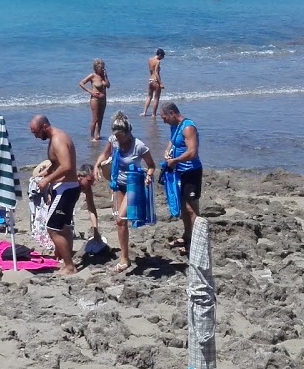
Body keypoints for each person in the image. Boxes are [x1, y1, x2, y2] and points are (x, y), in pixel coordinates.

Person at [95, 112, 157, 273]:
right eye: (116, 136)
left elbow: (151, 165)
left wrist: (148, 176)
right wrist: (97, 165)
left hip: (133, 184)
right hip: (118, 183)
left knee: (121, 219)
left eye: (121, 136)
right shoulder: (113, 141)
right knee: (119, 221)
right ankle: (125, 256)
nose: (119, 139)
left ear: (128, 132)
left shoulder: (139, 146)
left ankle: (124, 260)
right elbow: (105, 154)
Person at [28, 113, 80, 277]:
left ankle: (70, 266)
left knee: (52, 228)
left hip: (66, 189)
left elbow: (66, 166)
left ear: (45, 127)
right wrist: (47, 172)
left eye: (36, 133)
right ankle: (66, 259)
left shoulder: (58, 139)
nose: (36, 137)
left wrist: (47, 180)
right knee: (63, 227)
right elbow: (57, 162)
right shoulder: (54, 138)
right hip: (65, 188)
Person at [159, 101, 202, 252]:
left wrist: (175, 160)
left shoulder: (188, 127)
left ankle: (197, 243)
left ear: (172, 113)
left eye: (164, 117)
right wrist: (167, 150)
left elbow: (192, 152)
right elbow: (173, 140)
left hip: (191, 171)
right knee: (183, 206)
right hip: (179, 172)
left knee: (192, 209)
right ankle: (187, 235)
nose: (163, 121)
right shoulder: (174, 126)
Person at [79, 59, 110, 139]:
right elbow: (81, 83)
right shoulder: (92, 76)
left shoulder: (103, 76)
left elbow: (108, 86)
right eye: (101, 68)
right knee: (95, 119)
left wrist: (106, 76)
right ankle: (92, 136)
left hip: (103, 99)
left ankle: (98, 134)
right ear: (96, 68)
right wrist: (90, 91)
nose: (103, 69)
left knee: (101, 118)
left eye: (103, 67)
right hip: (95, 99)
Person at [143, 49, 165, 116]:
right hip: (156, 81)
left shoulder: (150, 59)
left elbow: (151, 71)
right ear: (160, 55)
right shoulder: (157, 61)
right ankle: (153, 114)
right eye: (162, 57)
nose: (162, 58)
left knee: (149, 96)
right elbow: (156, 72)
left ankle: (144, 112)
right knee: (156, 98)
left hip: (150, 80)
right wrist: (160, 83)